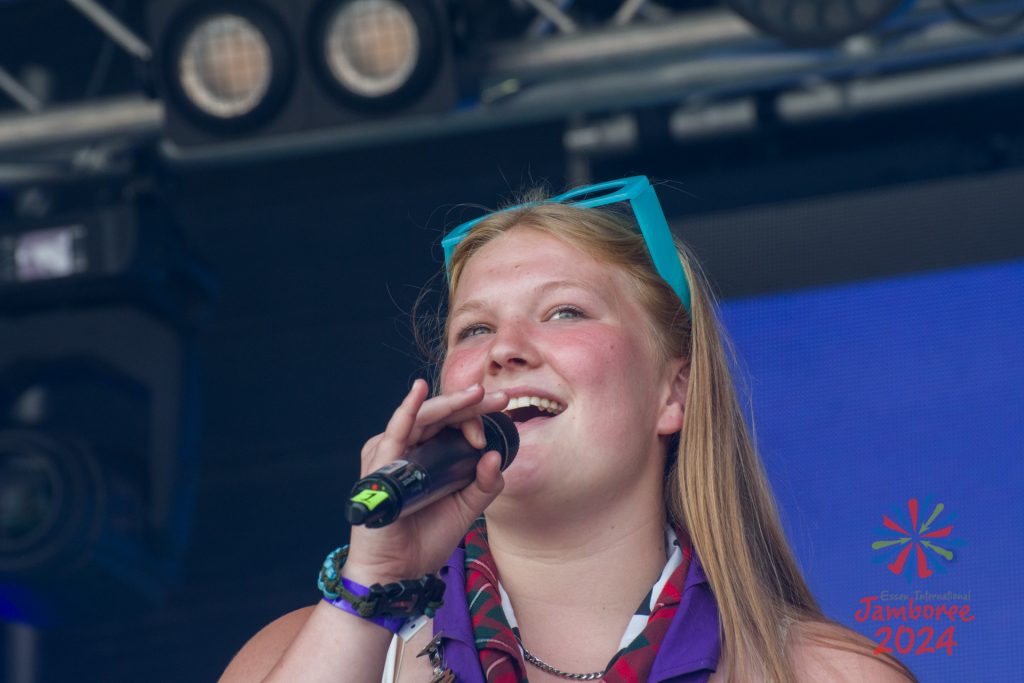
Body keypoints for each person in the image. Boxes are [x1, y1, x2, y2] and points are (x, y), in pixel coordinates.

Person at [221, 177, 916, 683]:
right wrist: (372, 589)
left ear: (673, 393)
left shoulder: (829, 675)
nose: (505, 349)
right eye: (475, 327)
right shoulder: (306, 656)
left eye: (563, 313)